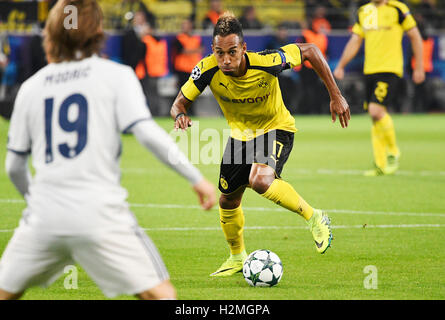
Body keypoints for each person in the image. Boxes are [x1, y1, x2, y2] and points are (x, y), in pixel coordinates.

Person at [0, 0, 216, 300]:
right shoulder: (116, 75)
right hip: (99, 214)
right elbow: (148, 134)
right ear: (97, 31)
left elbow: (13, 167)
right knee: (161, 295)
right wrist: (197, 179)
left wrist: (39, 204)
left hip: (43, 217)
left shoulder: (31, 88)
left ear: (51, 33)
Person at [170, 12, 350, 277]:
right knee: (228, 200)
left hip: (276, 128)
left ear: (244, 48)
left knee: (260, 180)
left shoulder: (268, 61)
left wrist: (336, 95)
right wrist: (181, 116)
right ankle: (236, 257)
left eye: (232, 52)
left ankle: (315, 217)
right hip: (240, 136)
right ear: (213, 50)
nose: (226, 60)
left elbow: (311, 50)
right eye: (220, 53)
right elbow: (178, 104)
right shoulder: (206, 69)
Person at [333, 0, 425, 176]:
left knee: (376, 111)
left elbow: (415, 36)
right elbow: (355, 40)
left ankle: (393, 153)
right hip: (370, 70)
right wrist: (341, 65)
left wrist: (419, 67)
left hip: (390, 69)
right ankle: (380, 163)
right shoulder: (364, 11)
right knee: (374, 117)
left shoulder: (398, 9)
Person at [172, 18, 203, 116]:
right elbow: (182, 51)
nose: (184, 27)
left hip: (194, 70)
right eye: (183, 25)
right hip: (182, 70)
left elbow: (202, 49)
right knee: (182, 92)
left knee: (193, 92)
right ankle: (179, 111)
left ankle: (192, 112)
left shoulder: (196, 38)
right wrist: (195, 50)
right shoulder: (178, 38)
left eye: (186, 25)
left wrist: (190, 51)